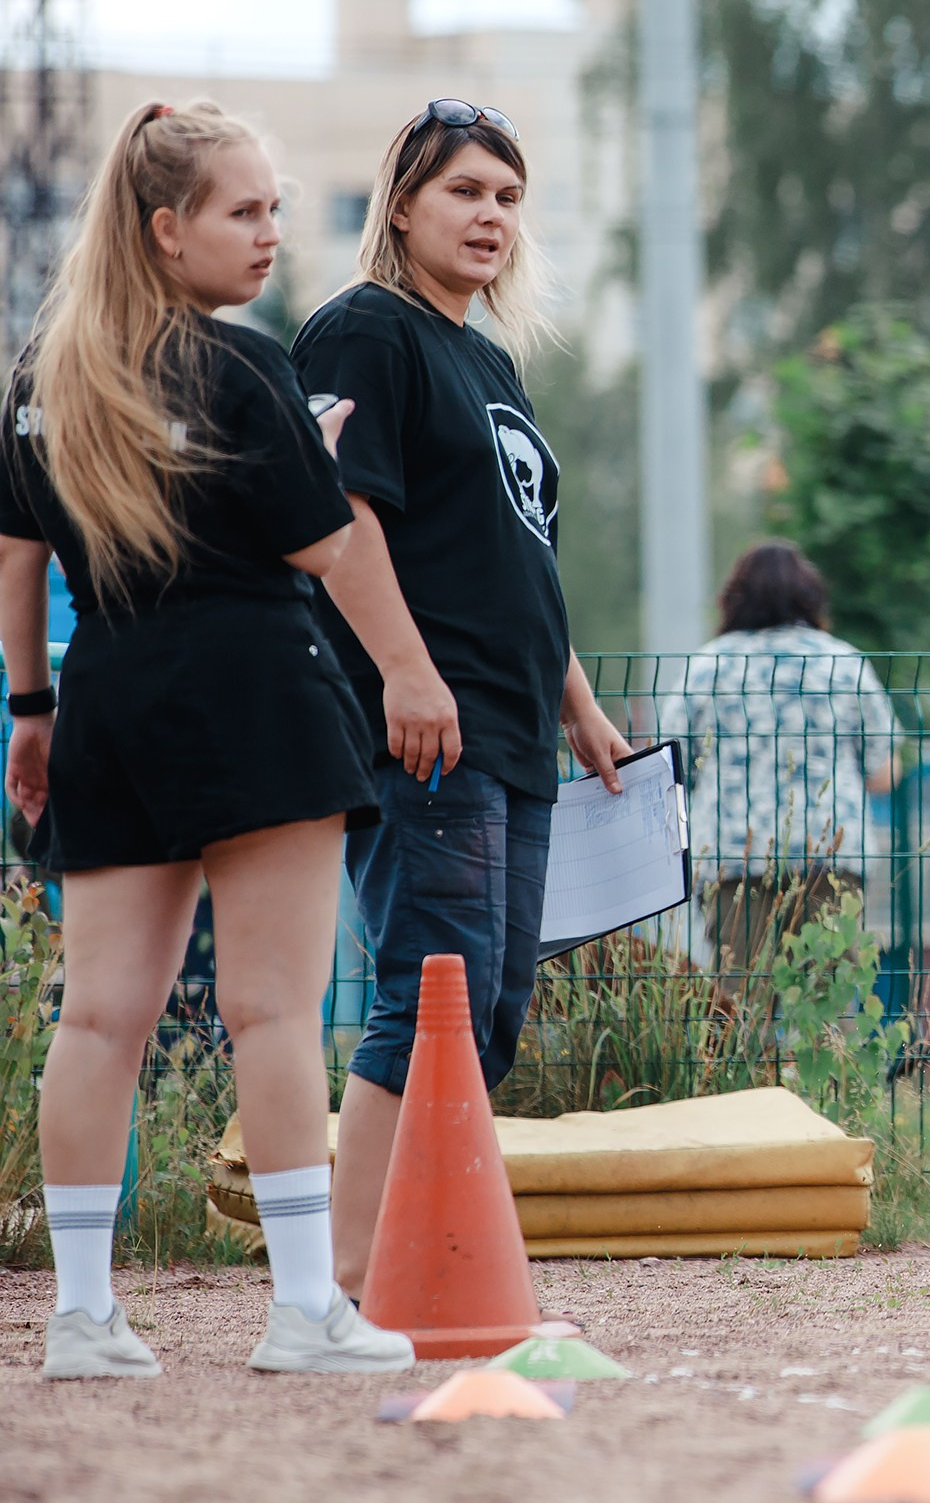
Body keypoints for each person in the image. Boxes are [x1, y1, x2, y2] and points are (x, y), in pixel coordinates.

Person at [3, 100, 412, 1376]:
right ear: (166, 229)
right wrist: (319, 458)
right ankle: (303, 1311)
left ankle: (81, 1318)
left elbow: (18, 558)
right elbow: (322, 542)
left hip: (107, 693)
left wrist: (31, 710)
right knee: (275, 1010)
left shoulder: (42, 375)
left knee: (97, 1018)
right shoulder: (241, 368)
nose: (271, 235)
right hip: (255, 688)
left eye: (277, 210)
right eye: (245, 211)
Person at [292, 100, 633, 1303]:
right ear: (401, 203)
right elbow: (338, 520)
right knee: (424, 992)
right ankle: (346, 1279)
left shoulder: (487, 359)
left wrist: (577, 702)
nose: (490, 216)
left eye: (507, 197)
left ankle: (418, 1260)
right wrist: (404, 668)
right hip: (422, 725)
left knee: (486, 1010)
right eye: (464, 192)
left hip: (511, 729)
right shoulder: (362, 334)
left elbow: (518, 554)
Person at [661, 540, 900, 974]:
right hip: (831, 854)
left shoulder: (708, 667)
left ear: (734, 600)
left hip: (733, 855)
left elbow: (670, 765)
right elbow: (883, 772)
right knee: (832, 1001)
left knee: (740, 1009)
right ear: (810, 597)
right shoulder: (843, 663)